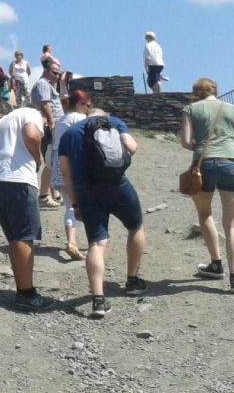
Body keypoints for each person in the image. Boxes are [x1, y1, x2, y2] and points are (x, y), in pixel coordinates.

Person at [58, 108, 147, 318]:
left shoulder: (69, 134)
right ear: (103, 116)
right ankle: (133, 281)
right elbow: (133, 147)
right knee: (135, 227)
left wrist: (75, 204)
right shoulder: (114, 122)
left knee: (97, 243)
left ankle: (98, 301)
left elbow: (65, 172)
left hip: (86, 191)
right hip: (118, 185)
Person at [180, 77, 234, 292]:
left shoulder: (190, 109)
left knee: (205, 214)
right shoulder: (233, 109)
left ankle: (216, 265)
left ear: (196, 92)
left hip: (202, 165)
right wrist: (233, 147)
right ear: (216, 90)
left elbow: (186, 142)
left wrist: (202, 146)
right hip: (231, 163)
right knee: (233, 224)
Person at [0, 105, 55, 312]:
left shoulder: (0, 123)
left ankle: (23, 289)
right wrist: (38, 158)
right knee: (24, 235)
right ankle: (26, 294)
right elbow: (31, 135)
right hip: (17, 179)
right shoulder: (32, 114)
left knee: (15, 236)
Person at [52, 90, 90, 260]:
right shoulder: (79, 119)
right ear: (81, 104)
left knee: (70, 207)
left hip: (58, 166)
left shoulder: (61, 120)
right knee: (88, 205)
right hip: (74, 165)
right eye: (87, 105)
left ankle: (72, 242)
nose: (88, 109)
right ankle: (95, 241)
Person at [30, 59, 64, 208]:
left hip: (52, 126)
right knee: (51, 160)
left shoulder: (48, 84)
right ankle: (44, 195)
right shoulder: (43, 84)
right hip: (50, 127)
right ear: (46, 71)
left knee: (53, 160)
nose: (57, 76)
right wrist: (52, 122)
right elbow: (45, 103)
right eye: (54, 73)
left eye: (59, 74)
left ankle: (54, 193)